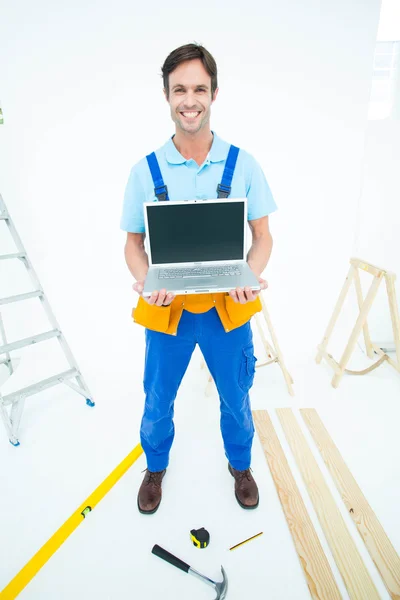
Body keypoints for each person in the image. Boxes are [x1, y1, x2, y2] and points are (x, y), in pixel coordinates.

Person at [121, 43, 277, 515]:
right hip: (165, 310)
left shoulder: (243, 164)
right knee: (157, 400)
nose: (190, 99)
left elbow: (263, 235)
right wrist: (148, 280)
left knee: (236, 397)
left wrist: (250, 273)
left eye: (199, 89)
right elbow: (133, 245)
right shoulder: (144, 171)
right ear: (167, 96)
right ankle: (155, 467)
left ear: (214, 93)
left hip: (227, 310)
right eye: (180, 90)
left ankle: (241, 465)